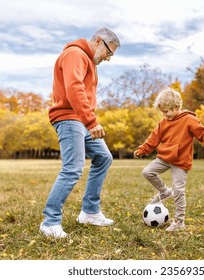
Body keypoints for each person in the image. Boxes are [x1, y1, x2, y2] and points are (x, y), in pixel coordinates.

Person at [40, 27, 121, 238]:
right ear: (97, 41)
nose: (108, 59)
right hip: (68, 117)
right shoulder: (75, 54)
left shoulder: (89, 60)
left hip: (80, 119)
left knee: (103, 157)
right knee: (73, 168)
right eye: (109, 53)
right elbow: (74, 88)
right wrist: (91, 121)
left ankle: (90, 212)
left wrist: (88, 120)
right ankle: (50, 222)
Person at [134, 87, 204, 231]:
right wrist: (142, 150)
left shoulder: (189, 120)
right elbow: (153, 139)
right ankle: (164, 191)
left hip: (180, 162)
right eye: (162, 112)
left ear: (176, 107)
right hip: (164, 158)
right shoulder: (163, 123)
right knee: (147, 172)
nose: (164, 115)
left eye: (166, 111)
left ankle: (179, 222)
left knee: (178, 190)